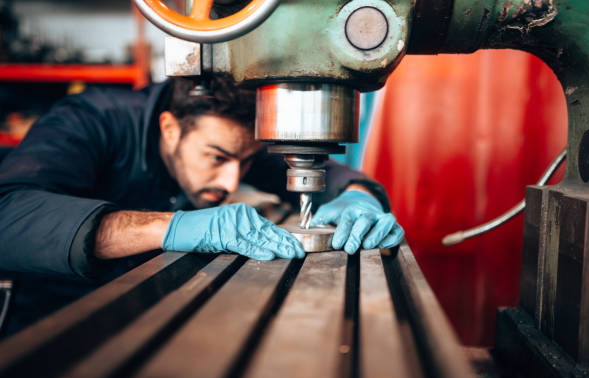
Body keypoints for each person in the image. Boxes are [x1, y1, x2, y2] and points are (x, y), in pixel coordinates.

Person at [0, 76, 403, 334]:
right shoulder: (88, 120)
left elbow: (325, 173)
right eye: (217, 158)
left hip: (159, 321)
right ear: (170, 129)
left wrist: (358, 196)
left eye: (245, 162)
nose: (232, 181)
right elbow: (9, 218)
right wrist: (168, 227)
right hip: (55, 331)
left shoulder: (230, 138)